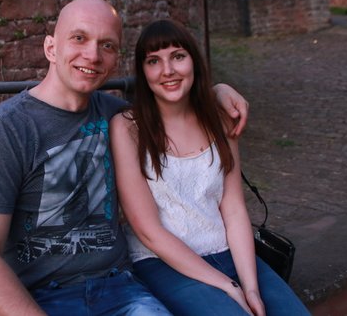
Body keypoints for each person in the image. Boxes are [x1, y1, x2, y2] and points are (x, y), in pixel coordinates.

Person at [0, 0, 249, 316]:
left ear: (115, 59)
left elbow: (176, 104)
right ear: (51, 48)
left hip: (121, 287)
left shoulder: (120, 119)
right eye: (79, 38)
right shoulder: (5, 129)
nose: (93, 55)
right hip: (44, 296)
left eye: (106, 45)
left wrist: (217, 92)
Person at [110, 19, 310, 316]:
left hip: (226, 250)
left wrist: (250, 287)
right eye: (154, 61)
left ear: (194, 61)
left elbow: (234, 208)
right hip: (162, 262)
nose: (168, 70)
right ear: (143, 71)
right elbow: (148, 230)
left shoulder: (219, 119)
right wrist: (228, 286)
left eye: (178, 56)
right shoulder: (128, 128)